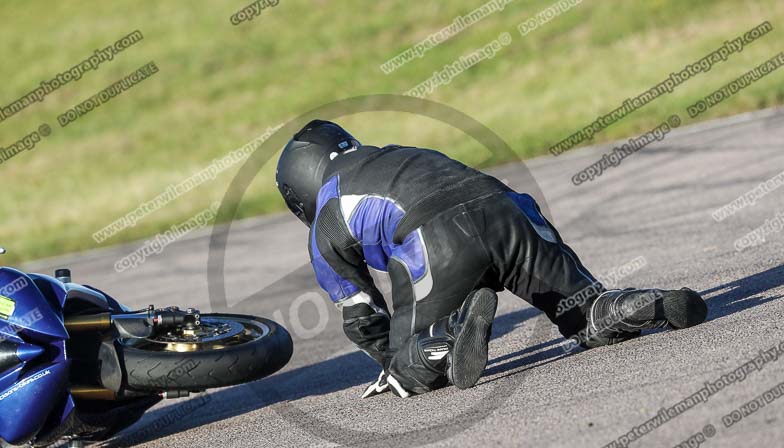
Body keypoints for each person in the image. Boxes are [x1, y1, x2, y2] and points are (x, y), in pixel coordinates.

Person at [275, 120, 708, 398]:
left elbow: (360, 315)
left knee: (409, 370)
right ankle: (624, 305)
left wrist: (391, 362)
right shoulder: (402, 151)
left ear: (301, 186)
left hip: (434, 240)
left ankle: (440, 348)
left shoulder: (325, 222)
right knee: (584, 313)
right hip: (510, 209)